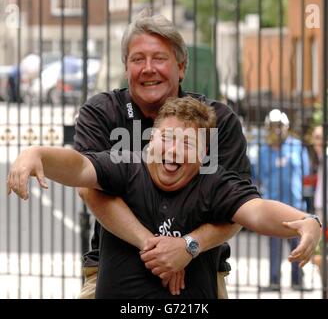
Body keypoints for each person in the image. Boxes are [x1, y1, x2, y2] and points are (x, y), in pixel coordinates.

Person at [7, 96, 321, 298]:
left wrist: (306, 222)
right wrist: (37, 154)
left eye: (187, 143)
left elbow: (257, 210)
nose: (173, 150)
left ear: (203, 154)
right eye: (167, 138)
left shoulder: (214, 183)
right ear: (150, 141)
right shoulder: (126, 167)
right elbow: (80, 166)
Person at [73, 8, 250, 299]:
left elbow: (239, 207)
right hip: (110, 274)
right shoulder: (102, 112)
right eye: (137, 59)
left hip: (202, 272)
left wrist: (187, 247)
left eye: (159, 58)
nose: (148, 68)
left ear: (181, 67)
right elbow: (88, 188)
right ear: (126, 67)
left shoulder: (218, 120)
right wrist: (156, 248)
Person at [253, 109, 311, 292]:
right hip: (272, 209)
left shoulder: (297, 147)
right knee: (274, 246)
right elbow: (258, 177)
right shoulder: (263, 151)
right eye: (273, 126)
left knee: (297, 246)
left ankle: (297, 281)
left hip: (295, 206)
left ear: (286, 127)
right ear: (268, 128)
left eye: (280, 126)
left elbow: (306, 175)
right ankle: (274, 281)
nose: (277, 130)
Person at [311, 126, 328, 281]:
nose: (315, 141)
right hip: (321, 205)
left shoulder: (326, 155)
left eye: (318, 137)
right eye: (315, 137)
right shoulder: (322, 156)